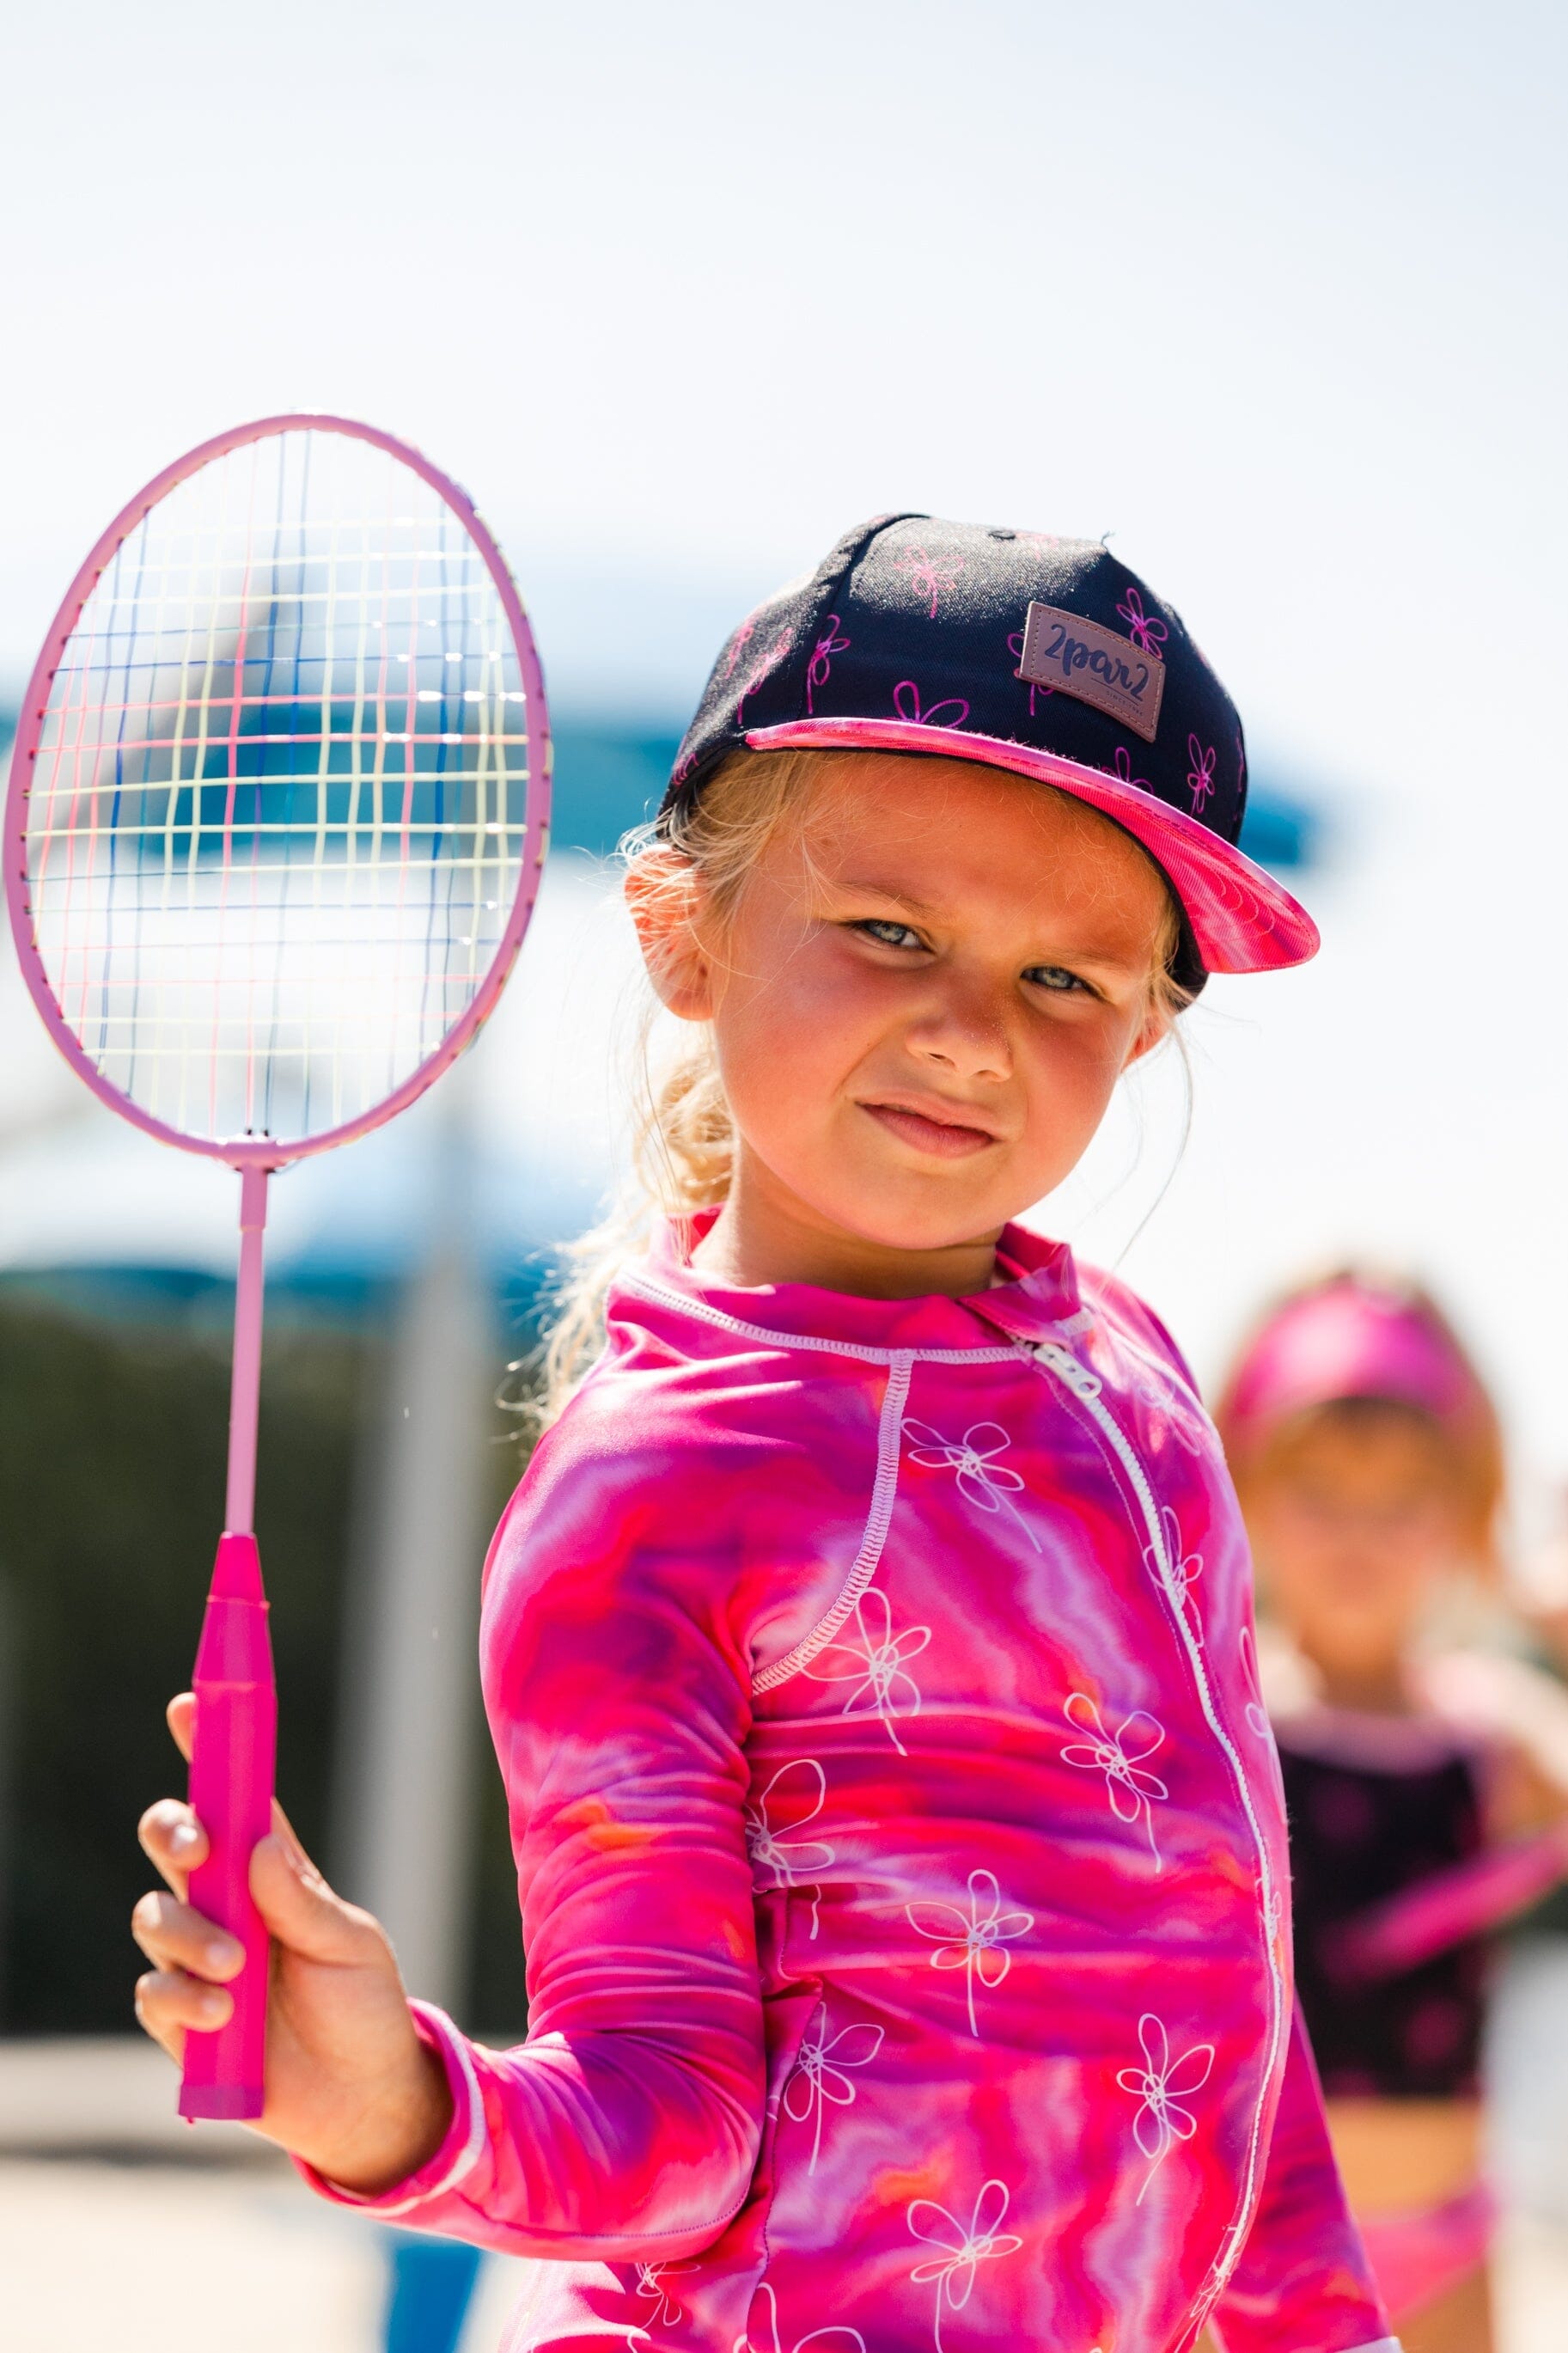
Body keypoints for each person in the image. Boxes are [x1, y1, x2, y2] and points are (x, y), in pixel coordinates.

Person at [129, 518, 1398, 2353]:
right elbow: (671, 2125)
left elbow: (1229, 1982)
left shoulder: (1133, 1382)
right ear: (682, 934)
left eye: (1064, 980)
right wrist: (397, 2106)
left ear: (1141, 1031)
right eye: (889, 932)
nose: (969, 1030)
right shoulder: (651, 1486)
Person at [1217, 1272, 1568, 2353]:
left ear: (1464, 1511)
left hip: (1446, 2230)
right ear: (1242, 1493)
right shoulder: (1230, 1714)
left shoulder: (1492, 1728)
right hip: (1254, 2238)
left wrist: (1542, 1619)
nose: (1357, 1533)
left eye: (1401, 1499)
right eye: (1318, 1493)